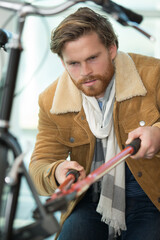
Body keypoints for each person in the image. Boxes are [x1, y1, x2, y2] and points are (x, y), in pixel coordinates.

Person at [29, 7, 160, 240]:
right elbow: (40, 165)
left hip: (150, 198)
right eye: (74, 64)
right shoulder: (49, 100)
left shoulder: (154, 74)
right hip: (90, 202)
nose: (85, 73)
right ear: (62, 62)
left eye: (92, 58)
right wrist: (57, 171)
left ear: (112, 49)